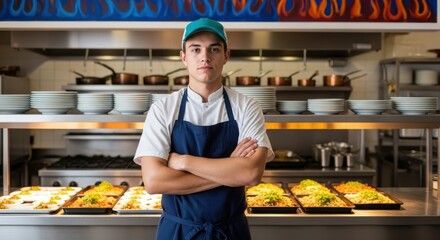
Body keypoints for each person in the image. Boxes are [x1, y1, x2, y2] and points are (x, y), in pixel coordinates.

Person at [134, 17, 274, 240]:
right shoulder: (163, 109)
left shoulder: (247, 107)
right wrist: (230, 169)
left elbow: (251, 173)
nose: (205, 57)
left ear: (226, 55)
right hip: (177, 231)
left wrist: (183, 161)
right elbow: (154, 181)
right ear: (184, 57)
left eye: (214, 49)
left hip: (229, 231)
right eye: (195, 49)